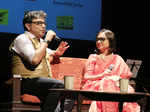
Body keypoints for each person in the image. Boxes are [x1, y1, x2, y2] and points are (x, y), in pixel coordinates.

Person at [9, 10, 74, 112]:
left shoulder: (40, 43)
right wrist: (47, 40)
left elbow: (49, 53)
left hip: (41, 83)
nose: (43, 26)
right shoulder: (22, 39)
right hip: (24, 82)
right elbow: (34, 60)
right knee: (58, 85)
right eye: (39, 23)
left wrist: (56, 54)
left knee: (70, 91)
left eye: (44, 23)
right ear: (28, 26)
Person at [81, 28, 140, 112]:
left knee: (126, 88)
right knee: (106, 83)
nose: (98, 42)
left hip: (115, 86)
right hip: (95, 86)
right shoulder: (93, 57)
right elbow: (87, 77)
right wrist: (102, 75)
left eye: (102, 39)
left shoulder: (118, 58)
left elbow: (125, 78)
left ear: (110, 41)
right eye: (97, 39)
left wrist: (115, 79)